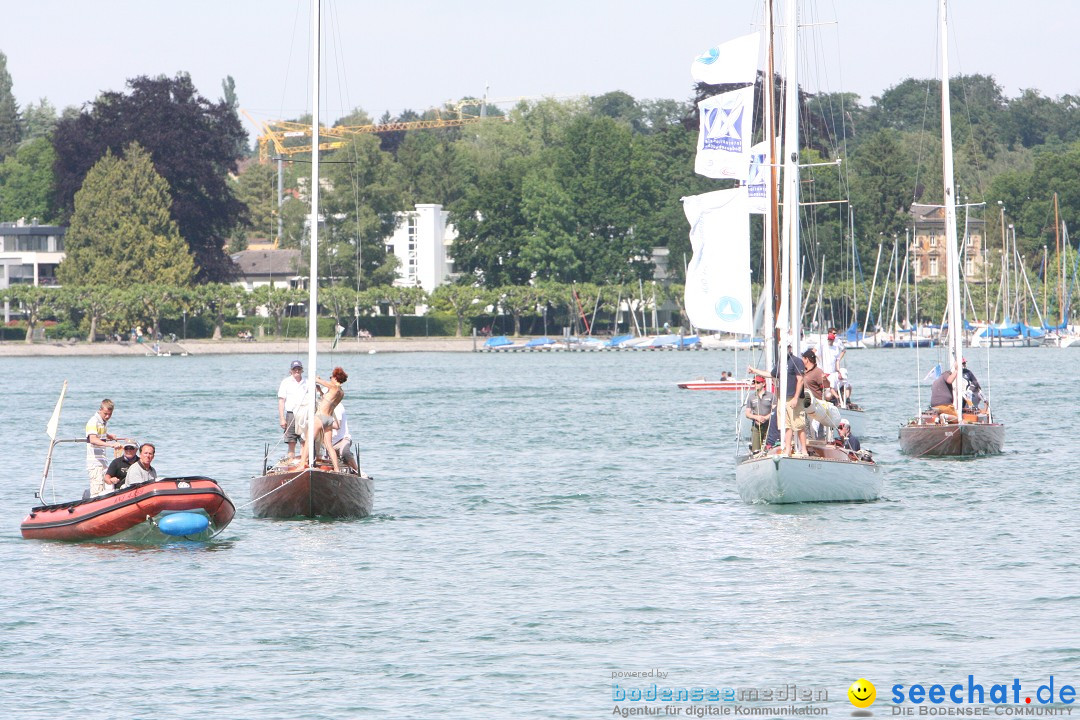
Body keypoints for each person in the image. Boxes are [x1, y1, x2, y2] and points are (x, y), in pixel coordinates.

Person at [748, 346, 806, 456]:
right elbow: (771, 374)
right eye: (781, 347)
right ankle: (788, 449)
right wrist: (754, 370)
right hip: (782, 398)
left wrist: (796, 398)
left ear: (790, 348)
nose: (784, 349)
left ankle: (804, 450)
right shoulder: (780, 362)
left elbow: (800, 380)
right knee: (787, 425)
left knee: (799, 424)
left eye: (786, 347)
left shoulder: (797, 361)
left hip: (793, 397)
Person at [297, 367, 349, 472]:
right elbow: (328, 400)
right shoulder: (341, 393)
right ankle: (337, 469)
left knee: (309, 440)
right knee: (329, 446)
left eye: (331, 377)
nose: (330, 379)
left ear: (335, 378)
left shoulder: (333, 387)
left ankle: (302, 464)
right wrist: (320, 390)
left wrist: (317, 378)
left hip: (320, 417)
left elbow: (318, 380)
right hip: (329, 419)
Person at [86, 399, 123, 497]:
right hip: (95, 462)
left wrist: (108, 436)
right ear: (100, 410)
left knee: (107, 487)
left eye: (110, 414)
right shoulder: (93, 421)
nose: (107, 416)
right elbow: (93, 439)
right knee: (96, 491)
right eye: (105, 413)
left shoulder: (102, 422)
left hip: (103, 460)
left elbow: (99, 433)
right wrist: (111, 445)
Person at [278, 360, 308, 459]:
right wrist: (282, 418)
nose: (297, 371)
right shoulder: (285, 382)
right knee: (291, 441)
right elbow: (281, 400)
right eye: (295, 369)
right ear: (291, 370)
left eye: (299, 368)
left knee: (304, 440)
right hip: (291, 414)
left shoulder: (307, 382)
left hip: (304, 413)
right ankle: (291, 461)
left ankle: (303, 461)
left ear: (302, 370)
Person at [801, 349, 831, 439]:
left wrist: (825, 379)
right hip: (803, 404)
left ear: (807, 359)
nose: (802, 360)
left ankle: (820, 443)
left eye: (803, 358)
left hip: (815, 405)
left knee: (817, 429)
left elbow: (827, 385)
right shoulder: (802, 371)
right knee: (805, 427)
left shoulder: (818, 372)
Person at [744, 375, 776, 453]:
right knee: (755, 450)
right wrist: (756, 417)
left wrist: (765, 418)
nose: (755, 384)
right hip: (756, 426)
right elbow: (747, 413)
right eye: (754, 382)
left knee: (770, 447)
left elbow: (775, 410)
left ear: (763, 383)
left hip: (769, 425)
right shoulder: (751, 397)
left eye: (758, 382)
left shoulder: (771, 396)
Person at [331, 402, 360, 473]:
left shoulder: (337, 406)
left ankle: (357, 470)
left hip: (342, 439)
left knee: (344, 452)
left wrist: (320, 423)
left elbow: (337, 425)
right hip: (329, 443)